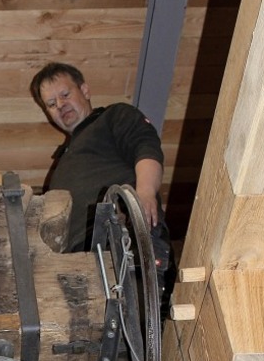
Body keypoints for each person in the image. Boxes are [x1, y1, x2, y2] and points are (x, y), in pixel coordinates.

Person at [29, 62, 173, 299]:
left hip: (122, 237)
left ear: (84, 90)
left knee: (136, 321)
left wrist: (144, 194)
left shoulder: (113, 116)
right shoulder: (61, 166)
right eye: (51, 104)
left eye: (65, 95)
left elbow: (146, 148)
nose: (61, 106)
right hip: (79, 261)